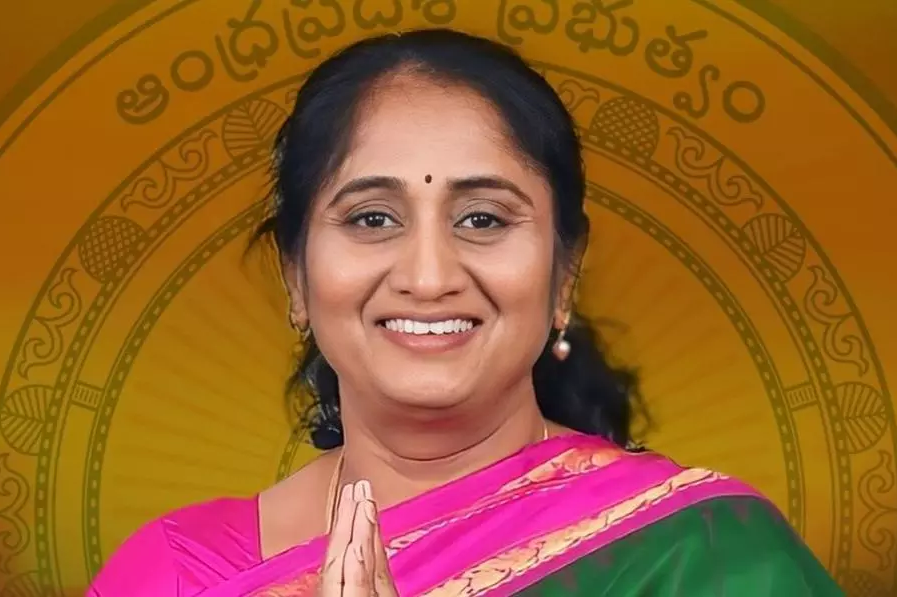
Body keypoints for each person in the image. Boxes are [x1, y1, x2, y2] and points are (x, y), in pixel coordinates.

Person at [87, 28, 843, 596]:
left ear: (564, 274)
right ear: (296, 276)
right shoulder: (173, 573)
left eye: (482, 219)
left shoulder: (700, 558)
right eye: (372, 218)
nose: (428, 277)